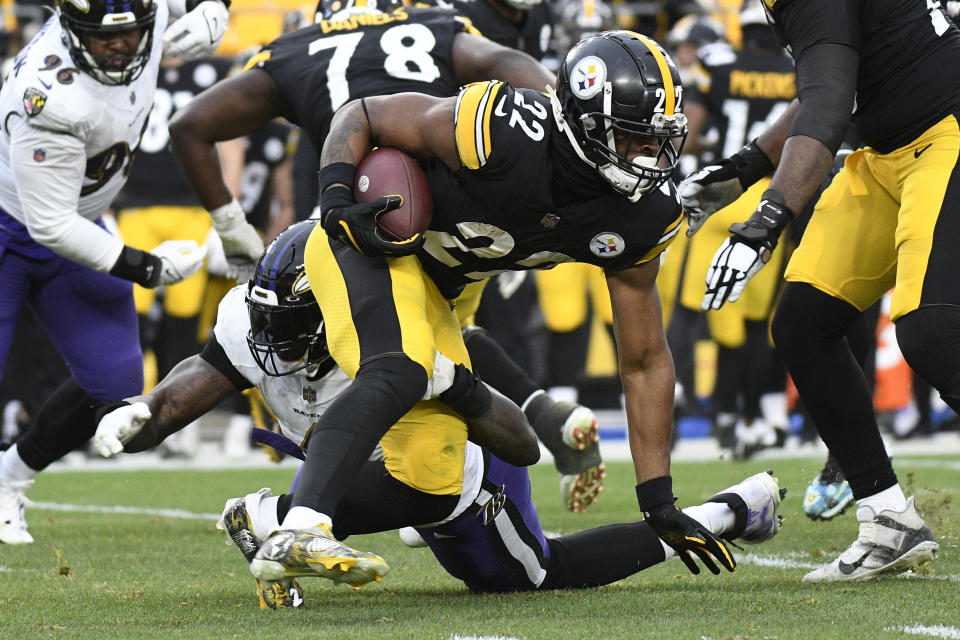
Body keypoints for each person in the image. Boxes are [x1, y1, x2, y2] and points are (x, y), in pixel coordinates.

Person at [249, 29, 738, 587]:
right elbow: (363, 113)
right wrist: (336, 201)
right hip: (375, 243)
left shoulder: (642, 217)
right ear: (583, 125)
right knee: (403, 366)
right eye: (632, 139)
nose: (651, 156)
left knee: (434, 477)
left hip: (442, 288)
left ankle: (266, 518)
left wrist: (658, 500)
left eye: (658, 139)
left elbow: (646, 360)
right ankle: (305, 526)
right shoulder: (502, 130)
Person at [92, 221, 785, 606]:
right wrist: (145, 413)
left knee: (530, 578)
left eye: (291, 330)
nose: (274, 345)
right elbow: (204, 375)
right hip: (366, 472)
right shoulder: (254, 321)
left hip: (456, 472)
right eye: (266, 326)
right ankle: (289, 520)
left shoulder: (394, 335)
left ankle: (735, 508)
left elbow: (517, 448)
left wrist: (450, 385)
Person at [169, 0, 606, 513]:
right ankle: (541, 419)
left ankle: (320, 504)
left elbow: (190, 126)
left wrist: (232, 227)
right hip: (456, 215)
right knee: (445, 344)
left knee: (384, 355)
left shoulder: (299, 49)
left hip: (359, 215)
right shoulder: (438, 23)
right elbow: (506, 65)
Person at [677, 0, 950, 581]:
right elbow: (834, 80)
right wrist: (746, 166)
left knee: (930, 332)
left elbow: (829, 101)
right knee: (804, 324)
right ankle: (887, 518)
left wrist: (764, 220)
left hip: (946, 130)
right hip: (883, 154)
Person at [0, 0, 252, 545]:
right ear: (70, 29)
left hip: (80, 219)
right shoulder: (48, 93)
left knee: (114, 385)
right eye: (102, 37)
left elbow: (183, 10)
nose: (120, 46)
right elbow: (50, 225)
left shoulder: (143, 15)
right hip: (20, 224)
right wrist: (148, 267)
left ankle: (10, 478)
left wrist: (215, 10)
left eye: (132, 33)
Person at [675, 1, 795, 457]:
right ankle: (749, 415)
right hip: (770, 198)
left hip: (723, 191)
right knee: (751, 324)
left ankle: (703, 407)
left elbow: (692, 128)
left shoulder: (718, 63)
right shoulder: (795, 68)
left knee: (698, 314)